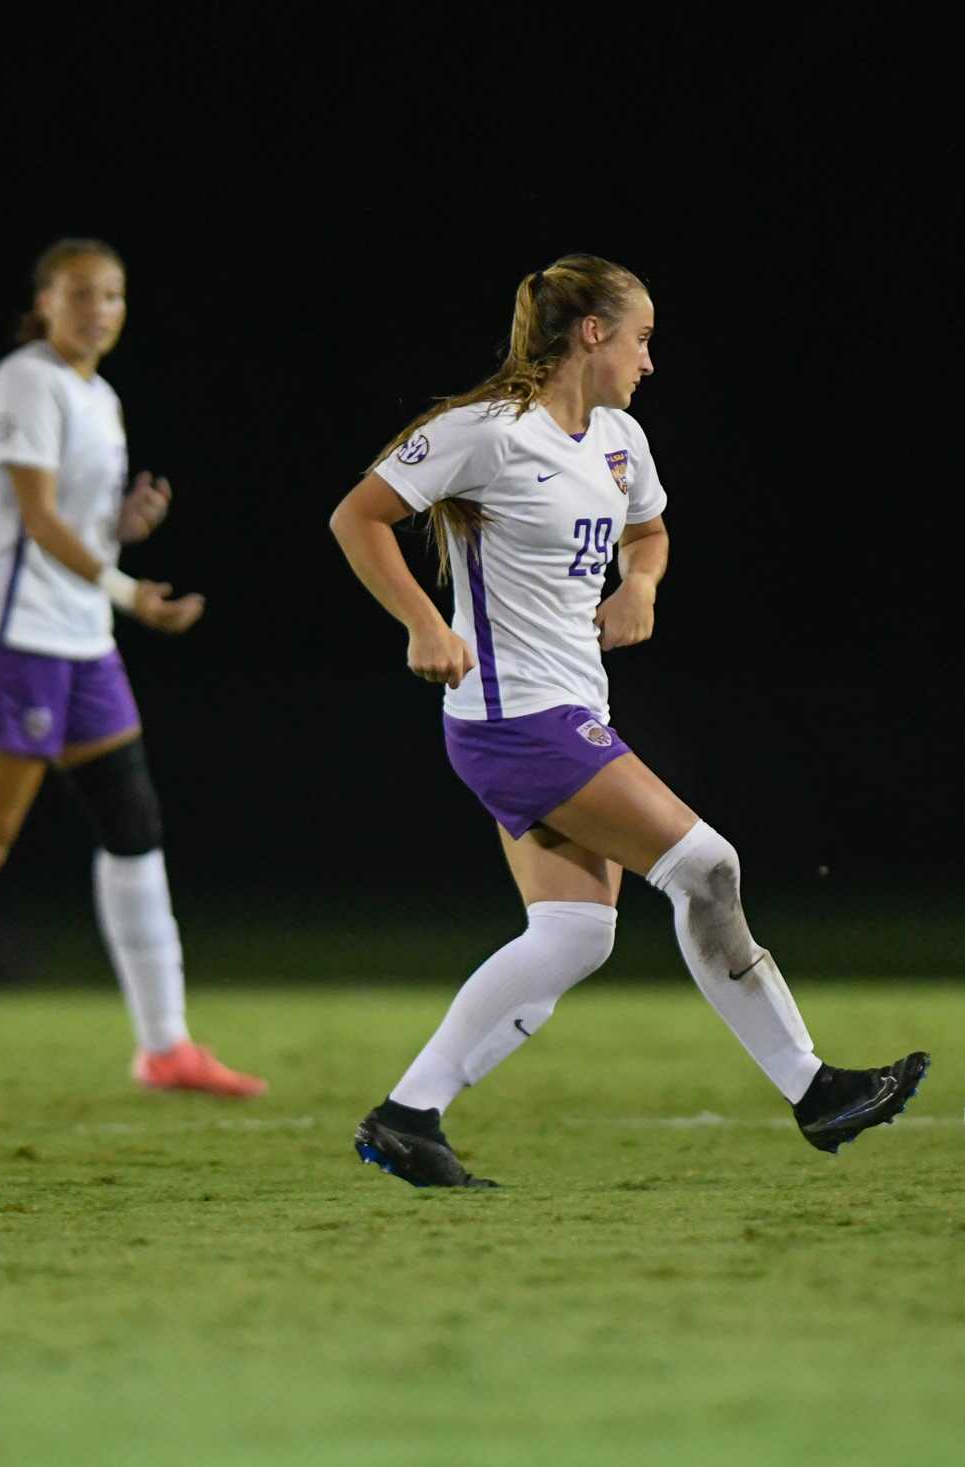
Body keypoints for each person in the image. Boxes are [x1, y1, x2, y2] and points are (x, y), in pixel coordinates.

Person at [325, 253, 927, 1189]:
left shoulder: (618, 439)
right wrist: (424, 623)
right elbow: (357, 517)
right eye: (642, 339)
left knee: (574, 933)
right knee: (708, 867)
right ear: (592, 333)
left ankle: (410, 1114)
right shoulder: (484, 431)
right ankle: (815, 1090)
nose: (651, 362)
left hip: (565, 710)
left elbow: (649, 531)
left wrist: (640, 583)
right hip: (513, 717)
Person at [0, 239, 265, 1106]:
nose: (99, 310)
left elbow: (77, 527)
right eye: (82, 294)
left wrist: (122, 526)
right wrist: (132, 592)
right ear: (44, 301)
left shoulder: (102, 396)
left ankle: (166, 1046)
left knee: (133, 819)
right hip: (11, 637)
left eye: (115, 296)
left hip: (79, 637)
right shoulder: (26, 381)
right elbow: (36, 520)